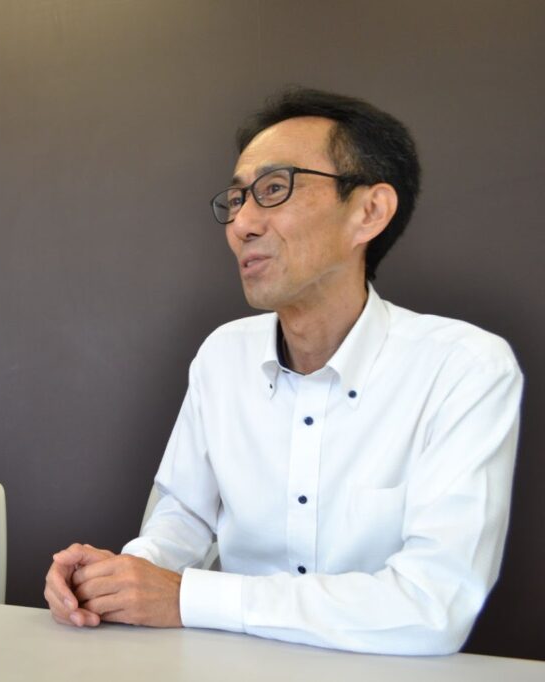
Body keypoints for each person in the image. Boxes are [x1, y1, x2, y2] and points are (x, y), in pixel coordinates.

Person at [43, 88, 523, 655]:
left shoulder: (464, 368)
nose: (242, 224)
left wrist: (186, 596)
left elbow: (433, 606)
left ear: (369, 211)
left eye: (274, 189)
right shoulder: (223, 355)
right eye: (236, 198)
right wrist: (119, 578)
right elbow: (183, 520)